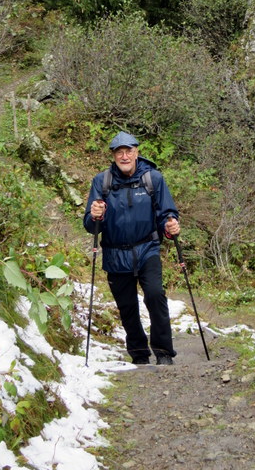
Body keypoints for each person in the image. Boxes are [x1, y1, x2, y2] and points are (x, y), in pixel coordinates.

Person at [84, 131, 180, 365]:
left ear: (137, 153)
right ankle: (139, 353)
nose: (124, 156)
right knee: (127, 306)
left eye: (129, 151)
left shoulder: (152, 179)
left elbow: (166, 212)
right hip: (115, 253)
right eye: (119, 152)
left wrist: (170, 225)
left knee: (155, 295)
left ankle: (164, 352)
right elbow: (91, 225)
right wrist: (95, 215)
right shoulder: (102, 181)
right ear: (114, 155)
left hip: (147, 248)